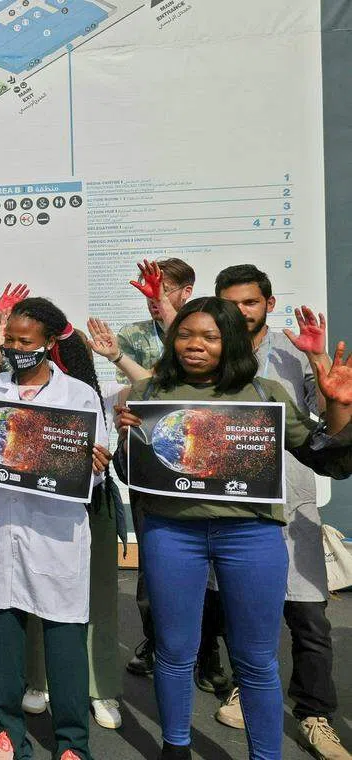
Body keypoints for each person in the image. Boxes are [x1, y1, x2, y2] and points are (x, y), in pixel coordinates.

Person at [113, 297, 352, 760]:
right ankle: (176, 747)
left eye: (209, 336)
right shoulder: (149, 394)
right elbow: (132, 476)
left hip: (251, 538)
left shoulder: (264, 394)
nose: (194, 345)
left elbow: (328, 458)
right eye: (185, 334)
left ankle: (265, 755)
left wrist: (341, 408)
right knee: (175, 651)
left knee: (257, 660)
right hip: (171, 535)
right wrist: (127, 443)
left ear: (232, 342)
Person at [0, 298, 110, 760]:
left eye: (27, 341)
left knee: (64, 639)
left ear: (48, 344)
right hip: (6, 529)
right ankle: (8, 731)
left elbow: (93, 466)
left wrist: (96, 465)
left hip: (57, 535)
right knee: (4, 634)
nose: (19, 348)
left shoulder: (78, 396)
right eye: (12, 341)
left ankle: (72, 742)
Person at [213, 265, 351, 758]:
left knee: (309, 619)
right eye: (230, 304)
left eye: (249, 302)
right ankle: (244, 687)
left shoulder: (298, 352)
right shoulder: (211, 350)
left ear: (268, 304)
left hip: (292, 505)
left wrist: (325, 378)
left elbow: (333, 427)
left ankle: (315, 714)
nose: (239, 312)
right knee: (242, 611)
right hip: (234, 510)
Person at [113, 258, 205, 680]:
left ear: (185, 291)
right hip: (151, 460)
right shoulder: (131, 335)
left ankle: (209, 654)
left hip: (205, 460)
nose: (153, 299)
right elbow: (145, 387)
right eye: (149, 291)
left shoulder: (208, 329)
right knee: (154, 563)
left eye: (163, 290)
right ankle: (155, 641)